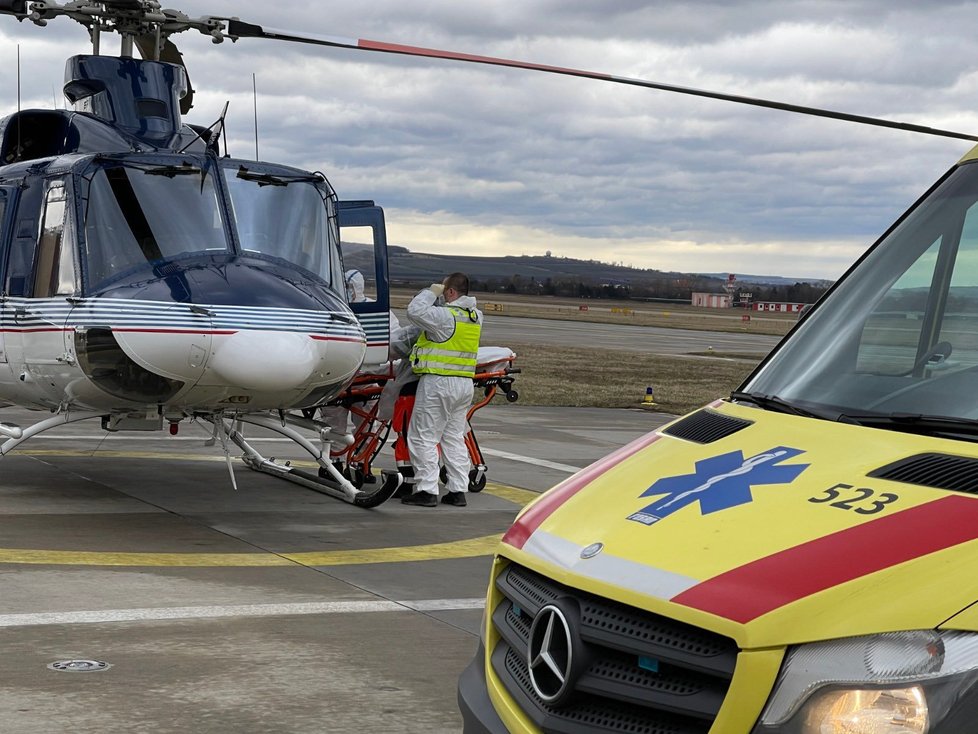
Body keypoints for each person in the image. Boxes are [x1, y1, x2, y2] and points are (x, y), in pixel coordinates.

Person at [401, 272, 483, 507]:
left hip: (439, 382)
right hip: (464, 384)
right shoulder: (476, 316)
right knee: (453, 437)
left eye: (444, 290)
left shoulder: (445, 317)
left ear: (450, 292)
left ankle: (427, 489)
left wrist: (430, 292)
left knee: (423, 436)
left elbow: (414, 311)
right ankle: (458, 490)